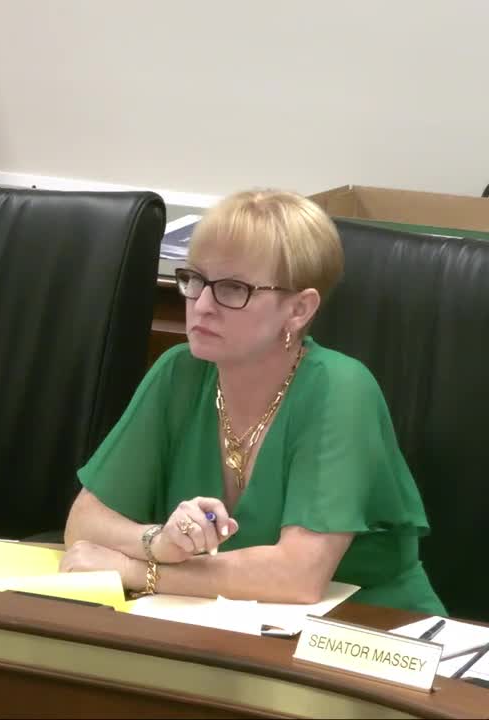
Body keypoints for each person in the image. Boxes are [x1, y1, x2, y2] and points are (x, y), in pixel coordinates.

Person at [61, 190, 444, 614]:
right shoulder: (179, 373)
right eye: (195, 280)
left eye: (233, 288)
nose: (202, 305)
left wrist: (136, 570)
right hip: (225, 622)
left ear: (298, 309)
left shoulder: (341, 389)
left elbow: (297, 576)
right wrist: (157, 542)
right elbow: (84, 523)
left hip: (369, 632)